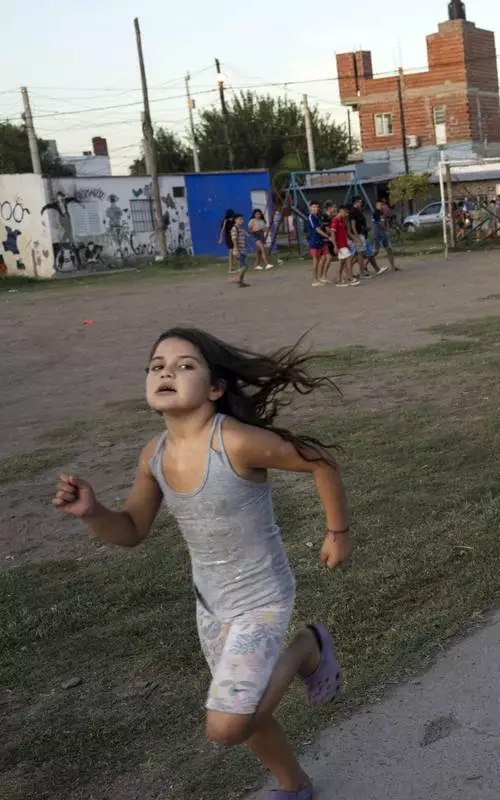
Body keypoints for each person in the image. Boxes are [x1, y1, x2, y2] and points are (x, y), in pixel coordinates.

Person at [51, 327, 351, 800]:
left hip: (261, 599)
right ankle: (294, 787)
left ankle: (305, 649)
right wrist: (92, 513)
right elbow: (131, 530)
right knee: (245, 704)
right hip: (210, 605)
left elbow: (320, 460)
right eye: (156, 366)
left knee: (227, 724)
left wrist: (338, 532)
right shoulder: (154, 454)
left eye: (185, 365)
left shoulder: (233, 442)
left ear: (215, 388)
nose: (166, 371)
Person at [329, 206, 358, 287]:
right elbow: (333, 233)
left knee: (342, 262)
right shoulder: (335, 220)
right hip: (340, 245)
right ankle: (350, 278)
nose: (346, 214)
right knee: (348, 259)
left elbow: (344, 233)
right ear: (341, 211)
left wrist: (348, 243)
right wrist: (335, 246)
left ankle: (339, 279)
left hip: (344, 244)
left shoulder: (341, 220)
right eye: (345, 212)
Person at [306, 201, 331, 287]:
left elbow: (324, 226)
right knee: (315, 261)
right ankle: (314, 280)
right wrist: (328, 236)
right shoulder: (310, 217)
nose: (315, 209)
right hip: (314, 241)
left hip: (322, 241)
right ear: (310, 207)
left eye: (316, 207)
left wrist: (329, 231)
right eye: (313, 207)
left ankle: (322, 277)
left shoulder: (319, 216)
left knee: (328, 258)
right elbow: (317, 229)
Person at [372, 199, 396, 272]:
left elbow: (384, 222)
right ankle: (365, 266)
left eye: (382, 205)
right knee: (375, 252)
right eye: (380, 205)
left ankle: (393, 266)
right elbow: (380, 224)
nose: (381, 206)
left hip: (383, 235)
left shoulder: (381, 214)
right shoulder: (376, 213)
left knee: (389, 249)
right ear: (376, 205)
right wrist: (388, 229)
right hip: (378, 235)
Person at [227, 213, 250, 288]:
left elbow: (243, 240)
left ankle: (241, 282)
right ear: (235, 220)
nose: (242, 221)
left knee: (242, 266)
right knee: (245, 266)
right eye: (240, 219)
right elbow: (234, 239)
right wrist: (236, 249)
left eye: (242, 219)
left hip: (243, 250)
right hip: (238, 250)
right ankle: (237, 278)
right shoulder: (234, 228)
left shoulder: (240, 229)